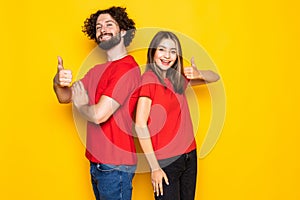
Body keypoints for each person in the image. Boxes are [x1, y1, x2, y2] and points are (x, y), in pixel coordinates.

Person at [53, 6, 141, 200]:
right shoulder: (96, 71)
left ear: (123, 32)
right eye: (99, 26)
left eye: (109, 24)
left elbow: (99, 115)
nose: (103, 29)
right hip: (97, 162)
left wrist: (83, 105)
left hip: (115, 165)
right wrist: (58, 82)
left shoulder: (127, 68)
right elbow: (65, 97)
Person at [134, 31, 220, 200]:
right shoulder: (148, 80)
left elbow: (214, 76)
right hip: (166, 162)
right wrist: (155, 168)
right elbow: (140, 125)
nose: (167, 56)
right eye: (162, 50)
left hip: (189, 156)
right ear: (153, 52)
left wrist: (198, 73)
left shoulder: (176, 78)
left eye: (173, 51)